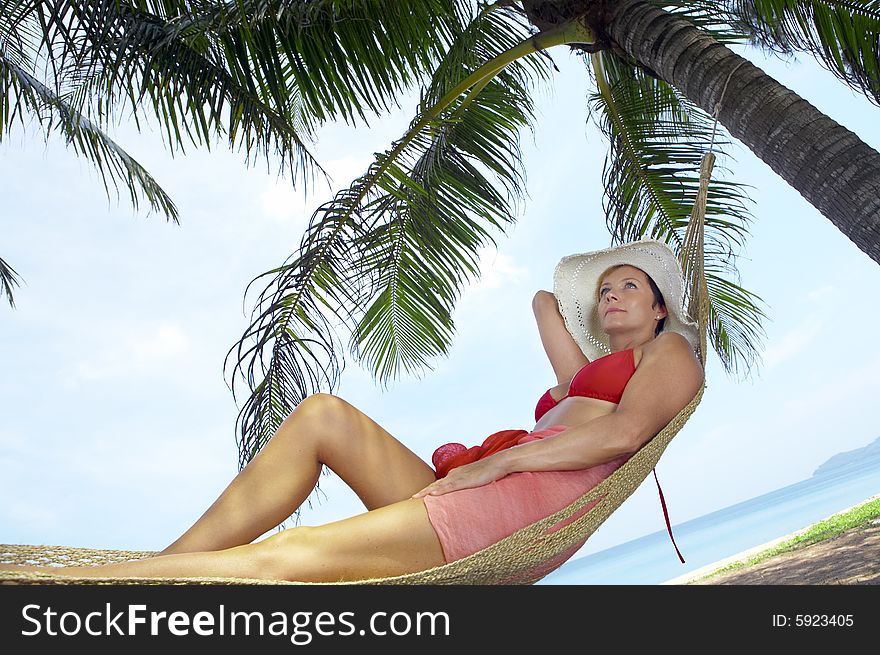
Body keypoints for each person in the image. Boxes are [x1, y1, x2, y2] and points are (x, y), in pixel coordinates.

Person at [0, 239, 704, 582]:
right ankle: (167, 569)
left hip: (518, 511)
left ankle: (74, 592)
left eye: (630, 285)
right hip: (491, 486)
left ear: (661, 307)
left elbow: (625, 431)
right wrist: (571, 293)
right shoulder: (584, 377)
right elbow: (546, 304)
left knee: (282, 558)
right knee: (321, 414)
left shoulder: (669, 356)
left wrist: (500, 465)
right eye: (604, 287)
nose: (611, 294)